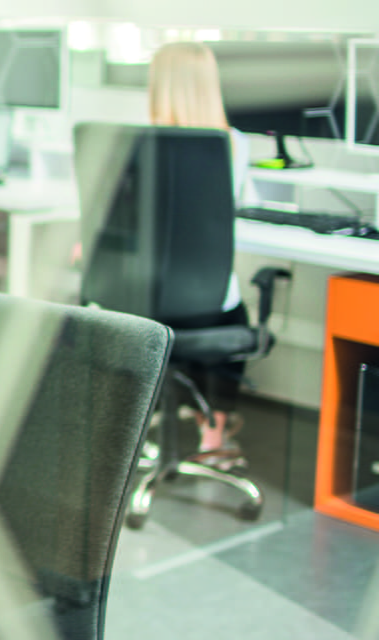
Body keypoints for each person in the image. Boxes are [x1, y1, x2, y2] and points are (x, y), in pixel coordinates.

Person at [147, 41, 251, 466]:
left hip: (142, 302)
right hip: (207, 303)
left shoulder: (137, 141)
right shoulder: (236, 145)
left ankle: (136, 417)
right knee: (236, 314)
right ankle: (214, 432)